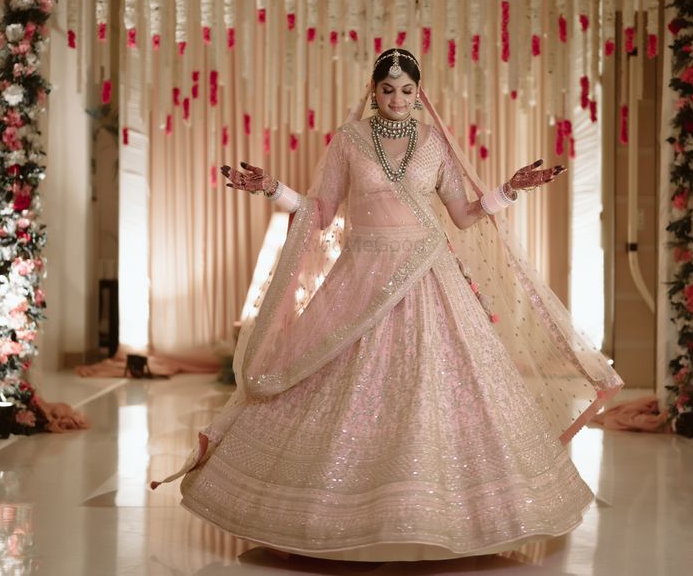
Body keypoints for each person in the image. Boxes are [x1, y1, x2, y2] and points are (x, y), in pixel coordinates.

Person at [154, 48, 622, 561]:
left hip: (429, 276)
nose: (397, 99)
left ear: (419, 94)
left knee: (434, 384)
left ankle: (442, 516)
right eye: (387, 90)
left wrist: (510, 189)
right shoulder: (349, 141)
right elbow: (322, 212)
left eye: (407, 91)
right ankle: (337, 516)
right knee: (342, 383)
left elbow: (463, 215)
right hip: (360, 276)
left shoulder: (435, 143)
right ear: (372, 92)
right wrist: (272, 189)